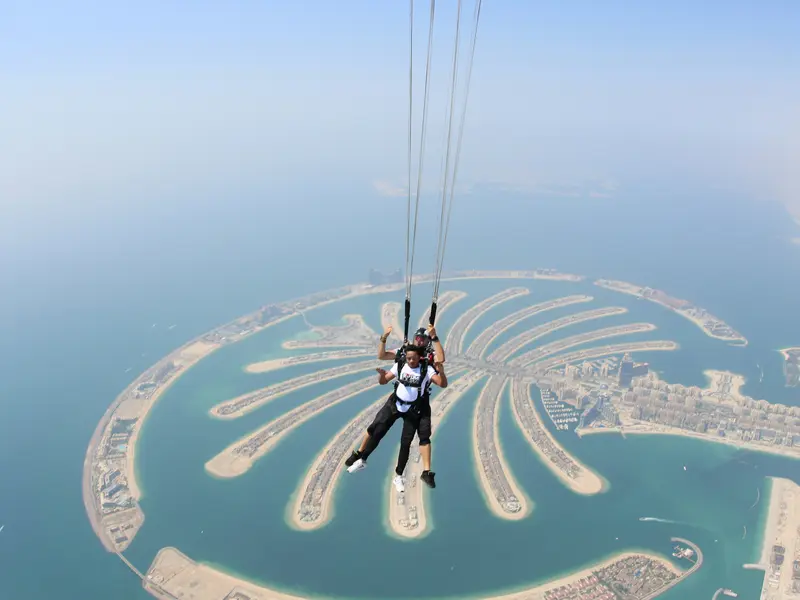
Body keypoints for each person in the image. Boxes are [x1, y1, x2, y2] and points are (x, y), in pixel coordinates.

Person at [345, 341, 448, 492]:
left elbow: (442, 384)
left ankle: (398, 476)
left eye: (413, 358)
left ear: (420, 357)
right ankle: (362, 458)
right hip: (395, 405)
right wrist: (381, 375)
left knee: (405, 443)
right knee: (377, 431)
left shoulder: (426, 370)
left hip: (412, 410)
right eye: (408, 358)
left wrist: (441, 371)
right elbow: (384, 381)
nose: (410, 361)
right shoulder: (400, 365)